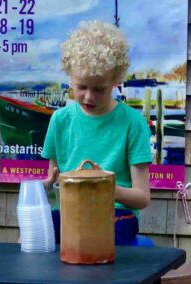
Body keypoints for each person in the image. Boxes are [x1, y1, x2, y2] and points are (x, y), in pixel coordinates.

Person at [42, 21, 152, 245]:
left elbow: (142, 198)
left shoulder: (133, 122)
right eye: (81, 87)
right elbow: (52, 185)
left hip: (116, 214)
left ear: (115, 80)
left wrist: (106, 187)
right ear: (70, 77)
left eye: (99, 89)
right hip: (68, 212)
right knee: (36, 237)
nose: (89, 97)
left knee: (97, 241)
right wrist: (44, 188)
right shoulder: (60, 120)